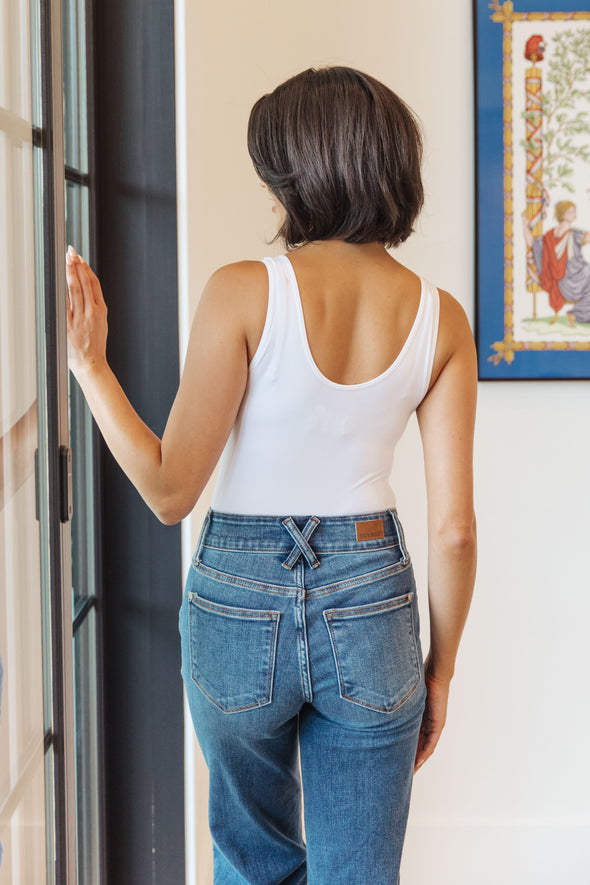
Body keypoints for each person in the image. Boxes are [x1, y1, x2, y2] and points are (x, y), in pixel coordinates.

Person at [66, 66, 477, 884]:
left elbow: (168, 488)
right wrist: (441, 669)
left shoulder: (243, 294)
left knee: (252, 863)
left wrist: (91, 369)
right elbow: (454, 529)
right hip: (373, 602)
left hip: (237, 602)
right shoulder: (441, 317)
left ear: (297, 170)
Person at [523, 201, 590, 325]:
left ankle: (576, 314)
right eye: (570, 211)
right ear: (562, 214)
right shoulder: (574, 234)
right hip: (572, 280)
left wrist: (525, 227)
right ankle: (576, 314)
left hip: (559, 282)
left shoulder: (549, 235)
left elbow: (532, 243)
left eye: (574, 210)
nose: (574, 213)